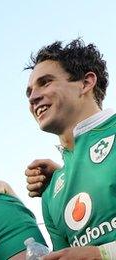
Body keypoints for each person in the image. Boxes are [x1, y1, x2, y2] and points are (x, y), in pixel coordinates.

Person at [24, 39, 116, 259]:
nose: (33, 97)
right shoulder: (51, 191)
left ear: (85, 83)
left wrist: (102, 254)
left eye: (45, 82)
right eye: (29, 93)